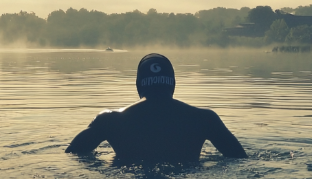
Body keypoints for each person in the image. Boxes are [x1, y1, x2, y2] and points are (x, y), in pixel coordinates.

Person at [65, 53, 247, 163]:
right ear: (173, 84)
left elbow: (73, 155)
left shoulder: (110, 121)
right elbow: (239, 160)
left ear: (138, 85)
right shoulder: (204, 119)